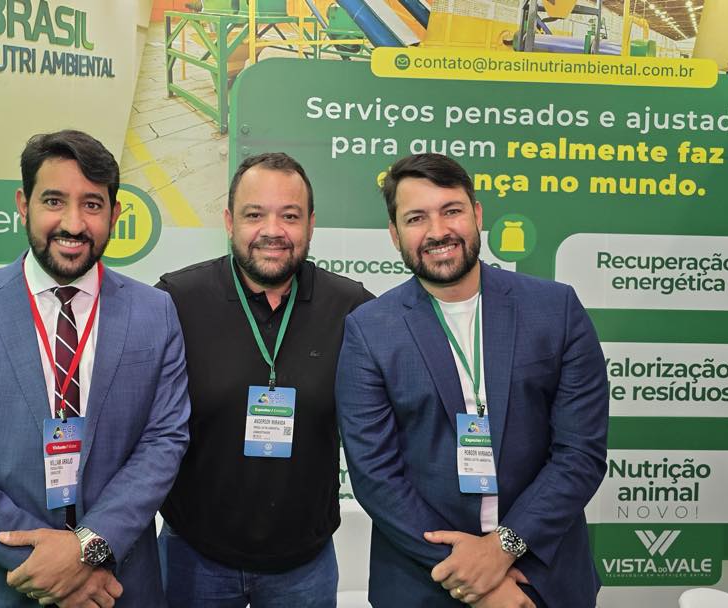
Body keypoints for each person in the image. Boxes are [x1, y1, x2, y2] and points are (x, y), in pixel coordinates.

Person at [0, 129, 190, 607]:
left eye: (92, 205)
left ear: (115, 214)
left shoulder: (154, 312)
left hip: (114, 584)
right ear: (24, 204)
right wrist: (50, 564)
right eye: (54, 201)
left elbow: (164, 441)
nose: (73, 223)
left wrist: (89, 548)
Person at [335, 153, 608, 608]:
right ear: (394, 234)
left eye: (452, 210)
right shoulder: (370, 330)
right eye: (416, 218)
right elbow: (375, 475)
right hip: (424, 580)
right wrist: (470, 574)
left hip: (542, 575)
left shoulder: (556, 310)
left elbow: (580, 454)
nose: (438, 231)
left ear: (477, 215)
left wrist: (503, 548)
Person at [155, 152, 374, 607]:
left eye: (289, 216)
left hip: (305, 566)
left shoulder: (352, 308)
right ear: (229, 221)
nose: (272, 230)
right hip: (193, 556)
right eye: (255, 214)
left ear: (311, 224)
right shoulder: (175, 301)